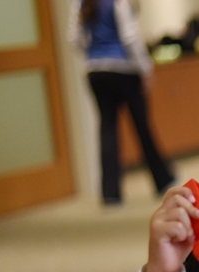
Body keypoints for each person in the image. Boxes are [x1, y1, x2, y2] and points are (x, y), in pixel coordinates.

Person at [69, 0, 174, 206]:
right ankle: (162, 179)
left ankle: (110, 192)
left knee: (107, 128)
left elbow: (74, 38)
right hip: (123, 70)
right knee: (142, 126)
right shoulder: (118, 3)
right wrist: (145, 69)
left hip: (95, 71)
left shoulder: (81, 4)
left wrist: (94, 54)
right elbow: (130, 38)